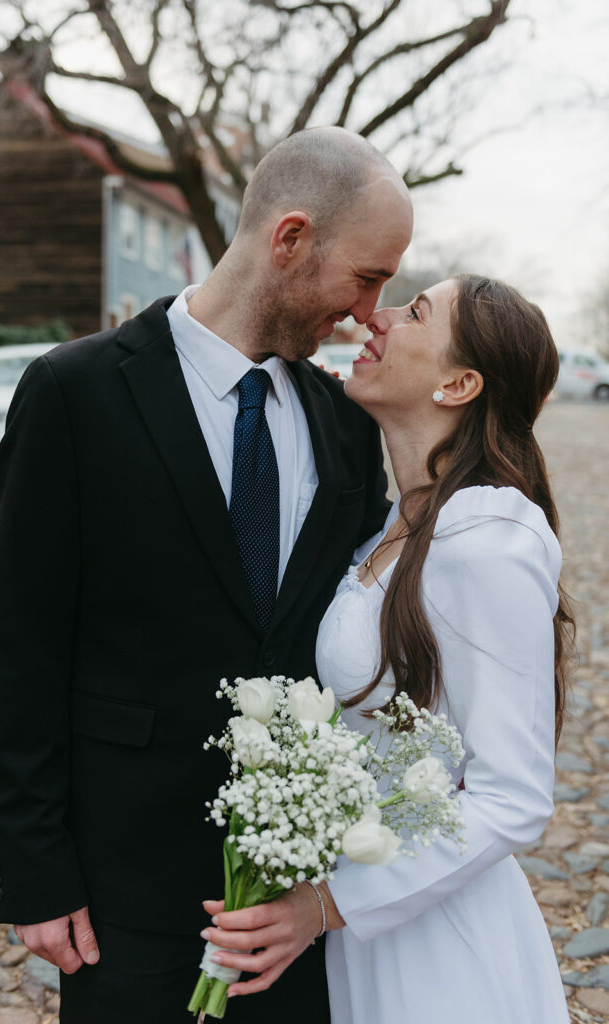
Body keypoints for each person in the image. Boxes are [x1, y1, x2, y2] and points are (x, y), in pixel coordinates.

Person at [0, 126, 414, 1023]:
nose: (371, 312)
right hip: (122, 888)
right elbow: (21, 645)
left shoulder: (343, 423)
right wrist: (36, 870)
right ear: (289, 240)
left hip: (292, 898)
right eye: (367, 278)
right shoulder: (75, 391)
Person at [200, 274, 574, 1023]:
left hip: (441, 945)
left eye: (415, 312)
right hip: (373, 933)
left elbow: (514, 798)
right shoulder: (393, 529)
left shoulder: (487, 542)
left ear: (459, 383)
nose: (378, 316)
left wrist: (327, 904)